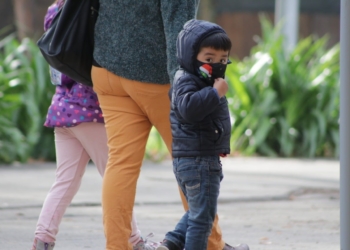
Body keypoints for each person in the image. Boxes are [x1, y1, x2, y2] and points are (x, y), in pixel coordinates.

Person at [92, 1, 248, 249]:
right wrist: (188, 84)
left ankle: (118, 245)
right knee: (193, 156)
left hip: (106, 69)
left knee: (121, 163)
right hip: (154, 78)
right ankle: (210, 244)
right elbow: (181, 29)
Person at [31, 0, 159, 249]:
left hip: (63, 109)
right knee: (117, 176)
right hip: (89, 111)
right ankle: (133, 240)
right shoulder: (90, 13)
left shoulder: (56, 12)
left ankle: (43, 239)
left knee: (65, 181)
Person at [156, 19, 249, 250]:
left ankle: (171, 242)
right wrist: (215, 93)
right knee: (202, 219)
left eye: (223, 60)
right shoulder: (188, 79)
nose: (216, 65)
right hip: (198, 160)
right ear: (190, 55)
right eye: (209, 59)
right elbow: (189, 110)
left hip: (196, 157)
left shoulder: (195, 79)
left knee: (200, 210)